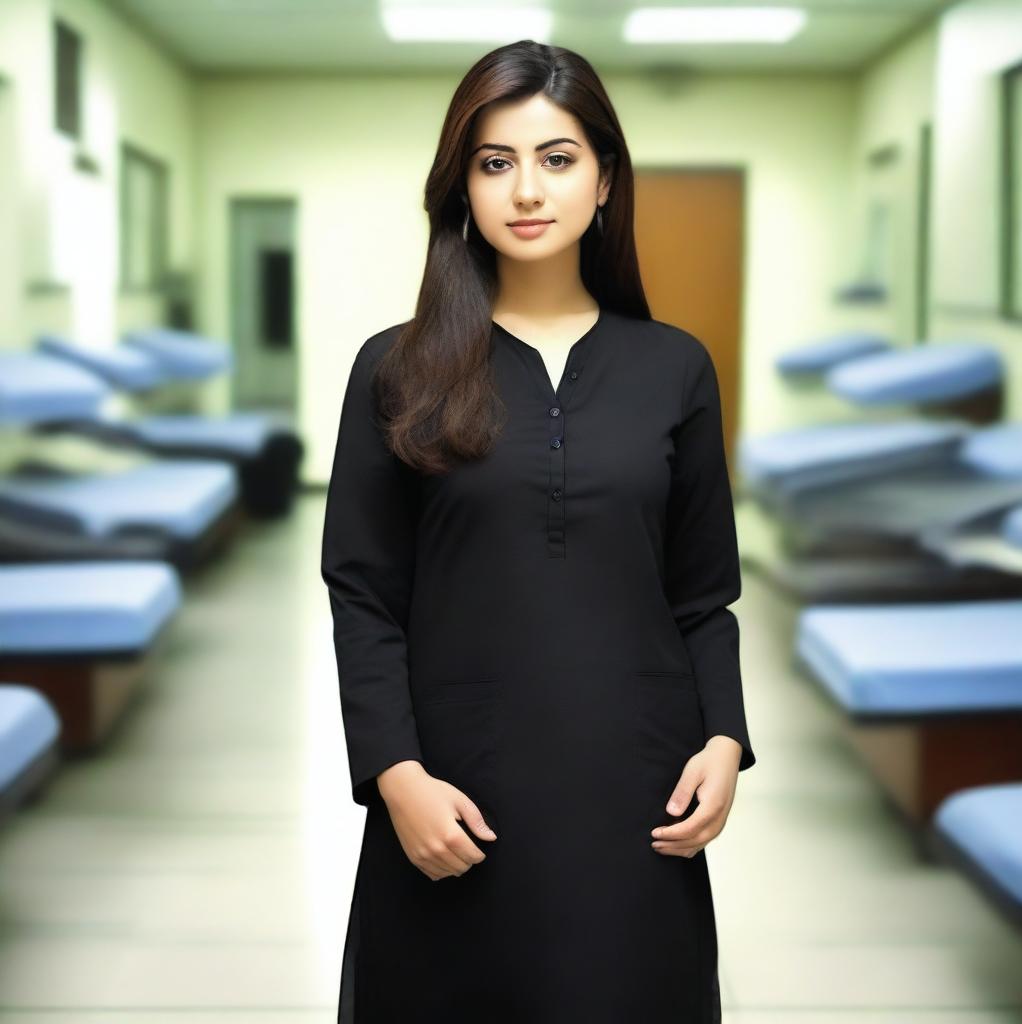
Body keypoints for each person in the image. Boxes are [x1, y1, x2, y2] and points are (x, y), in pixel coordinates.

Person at [320, 38, 756, 1023]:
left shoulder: (673, 368)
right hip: (453, 796)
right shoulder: (394, 369)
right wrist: (395, 775)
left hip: (631, 797)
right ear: (460, 189)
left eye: (557, 158)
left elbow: (703, 592)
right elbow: (361, 590)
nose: (526, 188)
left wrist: (724, 736)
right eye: (494, 162)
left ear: (604, 181)